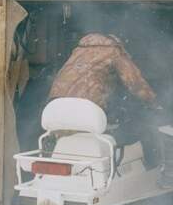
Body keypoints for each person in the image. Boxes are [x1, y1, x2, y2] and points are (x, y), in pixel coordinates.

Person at [48, 33, 162, 164]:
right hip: (85, 106)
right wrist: (153, 102)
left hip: (56, 105)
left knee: (68, 138)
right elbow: (134, 82)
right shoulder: (113, 51)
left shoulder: (79, 51)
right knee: (102, 136)